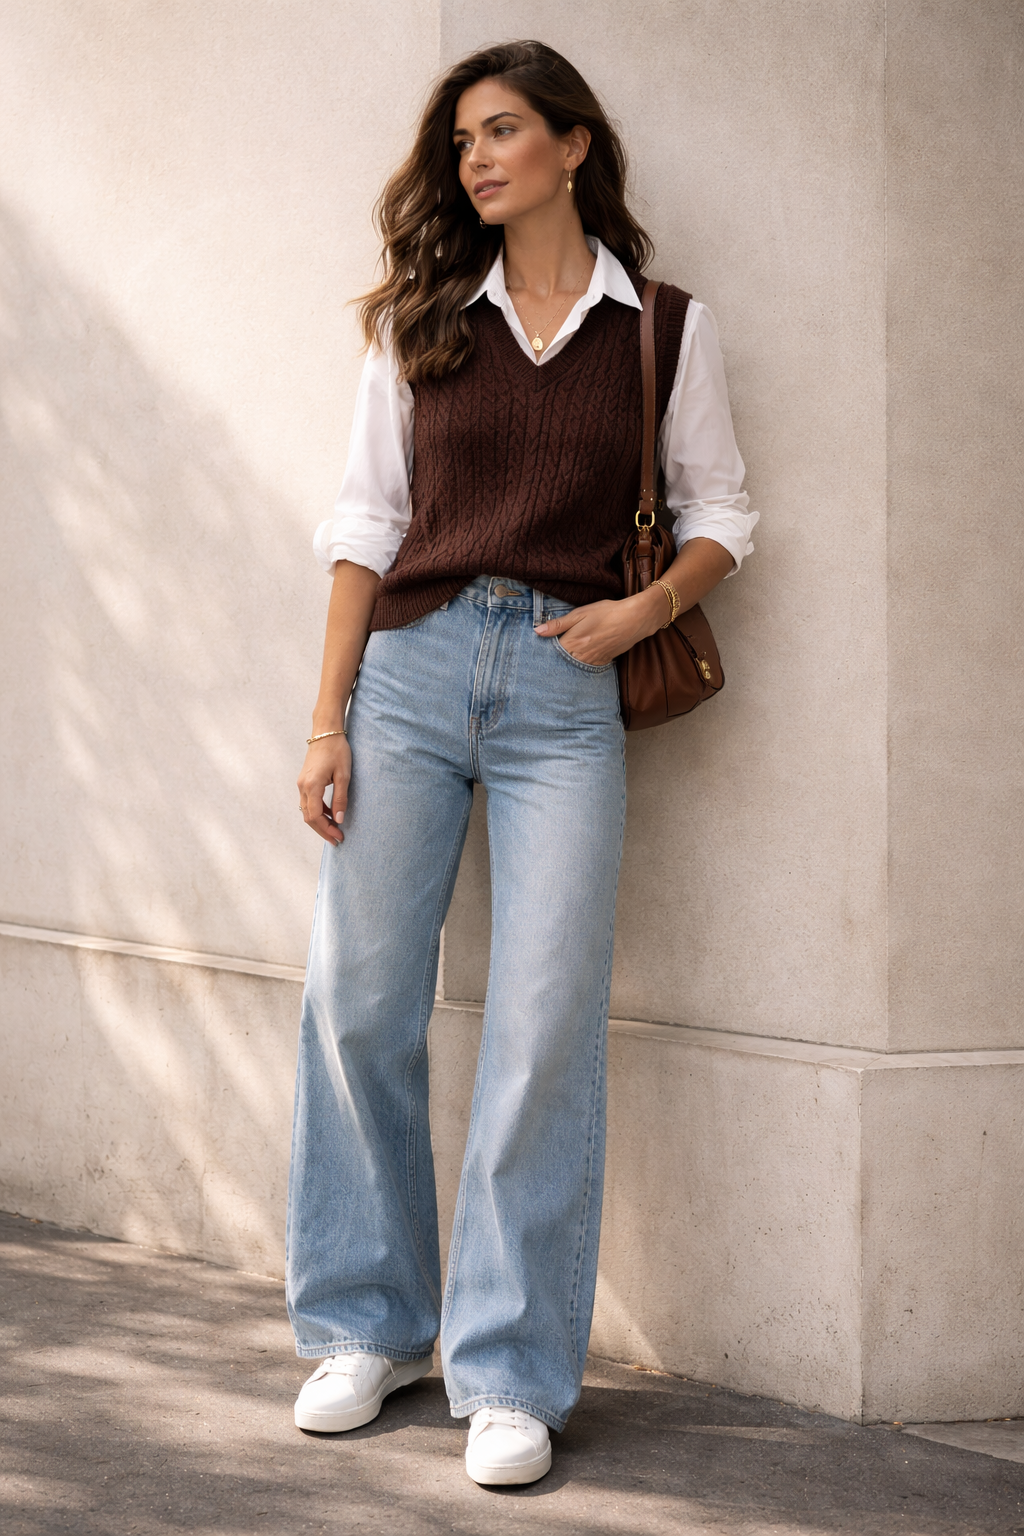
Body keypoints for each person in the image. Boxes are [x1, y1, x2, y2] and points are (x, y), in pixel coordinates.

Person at [289, 39, 757, 1486]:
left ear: (570, 144)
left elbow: (725, 511)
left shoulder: (663, 328)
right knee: (360, 996)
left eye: (500, 134)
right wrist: (326, 719)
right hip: (414, 675)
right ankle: (366, 1323)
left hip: (567, 690)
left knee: (544, 1022)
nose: (475, 161)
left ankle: (509, 1372)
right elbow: (366, 526)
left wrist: (644, 611)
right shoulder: (424, 321)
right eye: (460, 144)